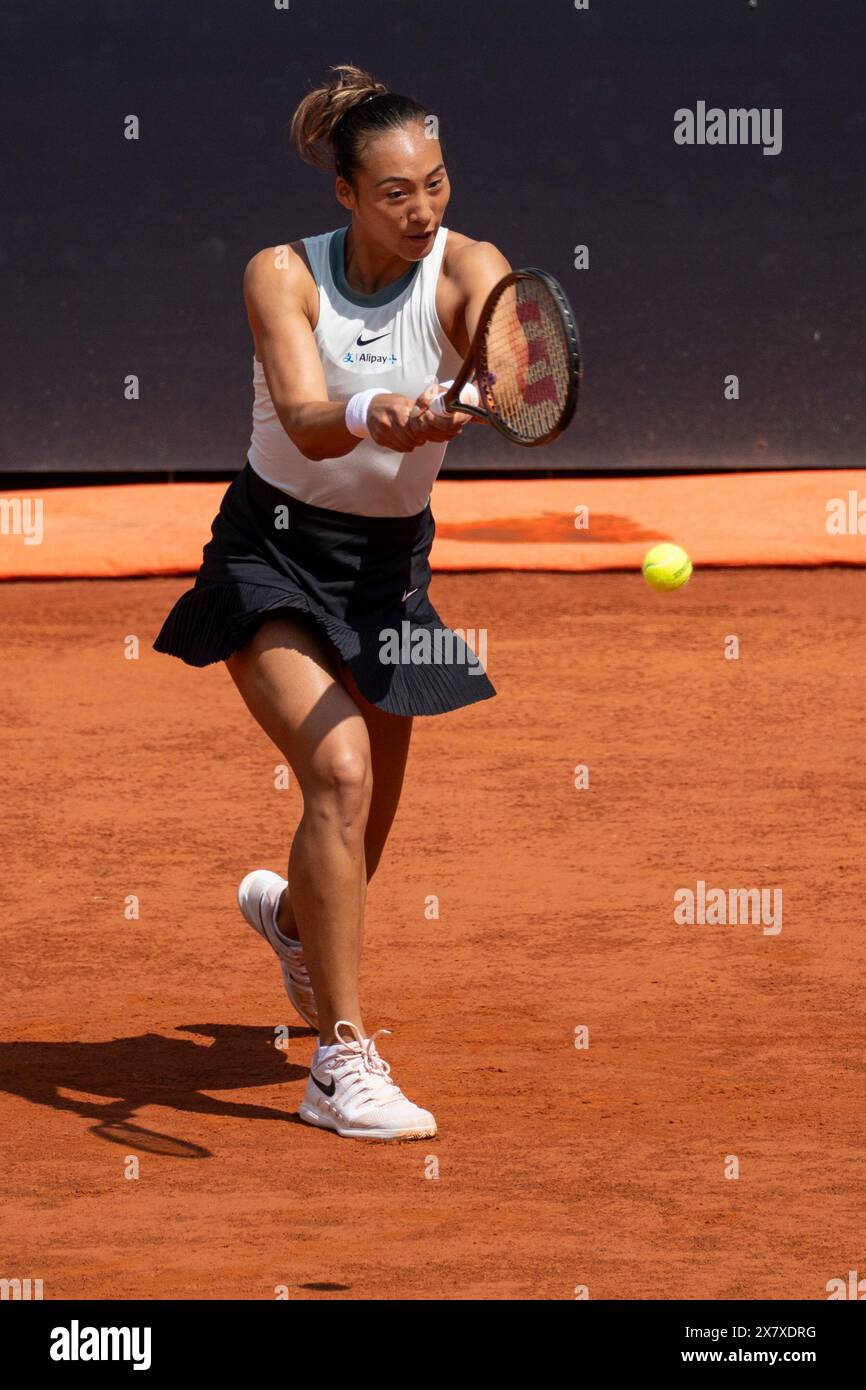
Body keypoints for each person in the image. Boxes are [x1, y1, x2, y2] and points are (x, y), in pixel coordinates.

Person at [154, 63, 511, 1141]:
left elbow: (502, 360)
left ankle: (297, 927)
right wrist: (378, 409)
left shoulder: (470, 265)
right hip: (270, 552)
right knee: (339, 769)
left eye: (437, 183)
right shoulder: (282, 275)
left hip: (389, 568)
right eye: (397, 191)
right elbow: (307, 418)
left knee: (363, 828)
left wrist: (474, 394)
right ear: (345, 193)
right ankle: (340, 1061)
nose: (424, 210)